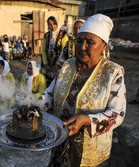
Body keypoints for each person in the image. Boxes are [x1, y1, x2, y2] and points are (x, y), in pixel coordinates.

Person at [39, 14, 126, 167]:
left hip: (88, 150)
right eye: (79, 41)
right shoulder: (67, 66)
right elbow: (50, 94)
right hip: (60, 139)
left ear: (104, 45)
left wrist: (87, 120)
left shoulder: (112, 73)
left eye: (90, 42)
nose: (82, 46)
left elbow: (117, 113)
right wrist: (35, 106)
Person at [42, 16, 68, 84]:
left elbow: (64, 51)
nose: (52, 26)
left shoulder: (63, 35)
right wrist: (45, 63)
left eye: (54, 24)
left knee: (56, 83)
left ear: (57, 24)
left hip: (58, 65)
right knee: (45, 82)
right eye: (50, 24)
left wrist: (57, 64)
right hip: (47, 64)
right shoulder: (47, 35)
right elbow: (44, 50)